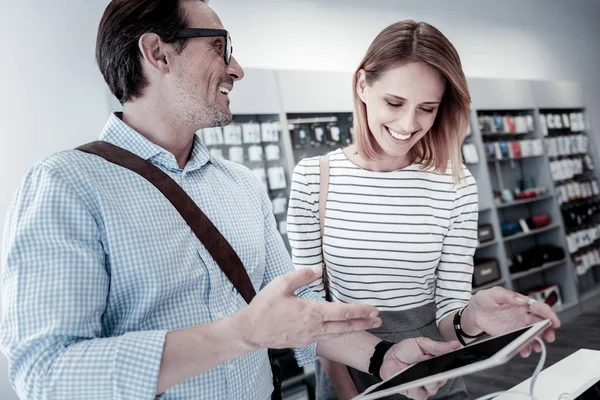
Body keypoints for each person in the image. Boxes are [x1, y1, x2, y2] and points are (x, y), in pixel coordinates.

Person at [0, 2, 467, 399]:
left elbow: (299, 307)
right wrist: (241, 334)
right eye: (220, 48)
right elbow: (45, 373)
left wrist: (383, 355)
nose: (237, 68)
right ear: (156, 52)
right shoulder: (67, 186)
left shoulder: (239, 184)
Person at [287, 20, 561, 400]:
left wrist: (475, 316)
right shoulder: (312, 179)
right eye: (394, 103)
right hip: (348, 378)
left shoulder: (456, 184)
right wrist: (349, 391)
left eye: (427, 108)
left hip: (434, 378)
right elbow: (309, 308)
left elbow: (449, 315)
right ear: (363, 85)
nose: (408, 124)